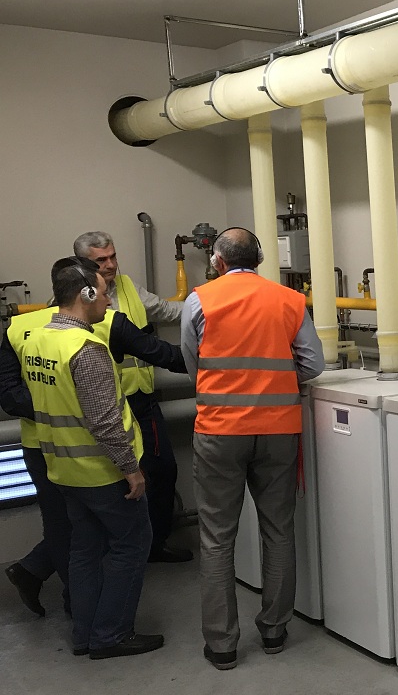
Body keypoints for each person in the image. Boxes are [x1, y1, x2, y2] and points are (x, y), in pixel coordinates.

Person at [181, 228, 323, 670]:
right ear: (259, 260)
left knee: (216, 537)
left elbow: (193, 363)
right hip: (278, 429)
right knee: (278, 530)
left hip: (220, 430)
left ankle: (222, 645)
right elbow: (313, 363)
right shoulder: (290, 300)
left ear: (218, 261)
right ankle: (275, 631)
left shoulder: (200, 301)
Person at [16, 257, 163, 659]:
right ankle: (111, 634)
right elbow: (104, 420)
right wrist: (131, 470)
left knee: (83, 550)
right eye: (102, 292)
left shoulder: (38, 340)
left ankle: (84, 633)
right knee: (132, 545)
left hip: (63, 468)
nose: (108, 301)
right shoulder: (86, 348)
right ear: (85, 294)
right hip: (103, 472)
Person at [1, 299, 187, 618]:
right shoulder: (106, 321)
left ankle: (75, 608)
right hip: (94, 452)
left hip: (44, 447)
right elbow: (166, 355)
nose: (107, 296)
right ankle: (93, 619)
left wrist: (51, 408)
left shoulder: (20, 328)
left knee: (71, 532)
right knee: (106, 535)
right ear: (84, 291)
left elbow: (9, 395)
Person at [74, 231, 191, 563]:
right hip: (104, 405)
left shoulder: (127, 286)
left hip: (141, 399)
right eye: (101, 260)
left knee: (162, 471)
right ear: (83, 264)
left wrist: (212, 305)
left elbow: (167, 311)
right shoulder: (73, 299)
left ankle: (155, 544)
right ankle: (119, 551)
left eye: (113, 256)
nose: (111, 264)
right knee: (113, 483)